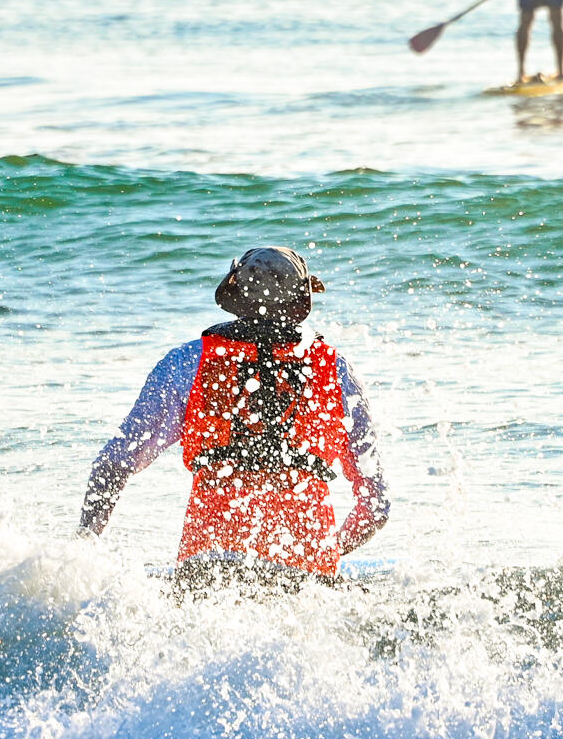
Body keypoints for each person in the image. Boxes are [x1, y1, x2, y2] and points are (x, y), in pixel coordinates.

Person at [80, 247, 389, 587]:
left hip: (207, 565)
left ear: (235, 294)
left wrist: (82, 552)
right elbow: (376, 507)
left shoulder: (187, 363)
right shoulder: (336, 371)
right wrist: (329, 549)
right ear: (301, 303)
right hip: (307, 571)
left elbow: (112, 466)